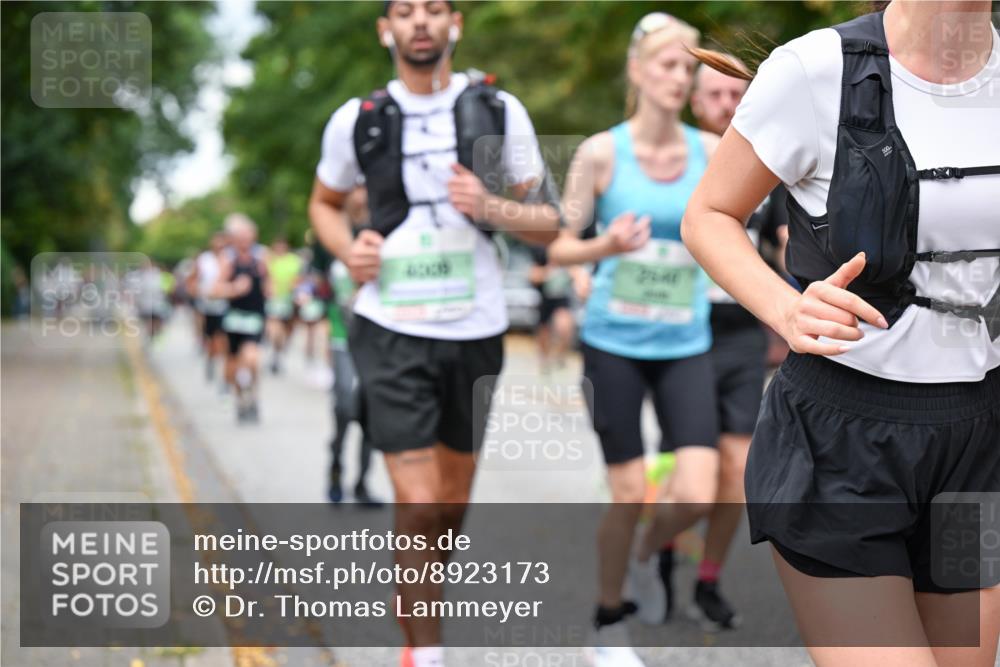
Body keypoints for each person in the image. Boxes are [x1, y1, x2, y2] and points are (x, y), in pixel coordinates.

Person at [682, 2, 999, 665]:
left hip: (979, 442)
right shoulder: (815, 71)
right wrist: (785, 308)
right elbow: (710, 213)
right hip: (843, 443)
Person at [308, 2, 559, 666]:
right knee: (417, 503)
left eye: (435, 8)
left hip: (475, 328)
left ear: (457, 24)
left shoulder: (499, 110)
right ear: (385, 28)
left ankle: (424, 605)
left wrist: (491, 205)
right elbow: (323, 203)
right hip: (388, 325)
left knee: (449, 503)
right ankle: (426, 653)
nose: (421, 21)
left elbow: (549, 223)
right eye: (405, 10)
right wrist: (346, 249)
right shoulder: (356, 120)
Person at [547, 12, 721, 666]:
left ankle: (650, 553)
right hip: (613, 341)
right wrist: (606, 245)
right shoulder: (600, 152)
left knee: (701, 489)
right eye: (669, 65)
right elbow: (561, 247)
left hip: (685, 339)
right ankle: (606, 621)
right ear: (638, 71)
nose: (680, 78)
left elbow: (726, 228)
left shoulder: (710, 152)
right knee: (626, 491)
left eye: (688, 68)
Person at [653, 56, 790, 632]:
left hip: (737, 330)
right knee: (691, 477)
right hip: (676, 330)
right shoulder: (667, 163)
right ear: (694, 101)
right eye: (715, 94)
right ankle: (652, 554)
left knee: (736, 470)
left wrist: (793, 308)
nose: (728, 104)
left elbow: (786, 242)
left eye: (739, 93)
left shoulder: (769, 164)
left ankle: (708, 578)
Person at [327, 185, 381, 506]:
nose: (362, 196)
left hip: (375, 343)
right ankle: (335, 468)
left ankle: (362, 483)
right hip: (342, 339)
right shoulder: (331, 235)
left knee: (371, 414)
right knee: (344, 408)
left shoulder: (383, 227)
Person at [213, 214, 270, 423]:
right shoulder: (228, 259)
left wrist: (268, 286)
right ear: (234, 238)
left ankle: (253, 396)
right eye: (241, 235)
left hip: (255, 317)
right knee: (235, 364)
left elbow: (269, 286)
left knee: (252, 359)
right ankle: (241, 400)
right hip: (234, 318)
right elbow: (214, 290)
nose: (246, 239)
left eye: (249, 235)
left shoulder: (262, 257)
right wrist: (233, 289)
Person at [528, 245, 580, 373]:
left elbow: (578, 273)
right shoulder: (541, 252)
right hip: (545, 297)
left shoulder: (570, 252)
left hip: (562, 298)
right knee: (543, 330)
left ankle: (560, 356)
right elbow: (533, 276)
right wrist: (548, 272)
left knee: (565, 327)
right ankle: (544, 359)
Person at [188, 232, 231, 382]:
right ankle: (211, 360)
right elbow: (193, 279)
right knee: (211, 339)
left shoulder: (230, 259)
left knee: (223, 338)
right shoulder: (204, 259)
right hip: (207, 306)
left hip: (225, 305)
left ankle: (223, 370)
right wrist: (195, 289)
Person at [265, 237, 303, 375]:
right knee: (275, 329)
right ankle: (275, 352)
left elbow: (299, 279)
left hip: (289, 300)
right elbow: (266, 278)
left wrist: (295, 288)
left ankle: (279, 353)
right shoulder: (270, 260)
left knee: (287, 330)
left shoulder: (293, 260)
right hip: (274, 300)